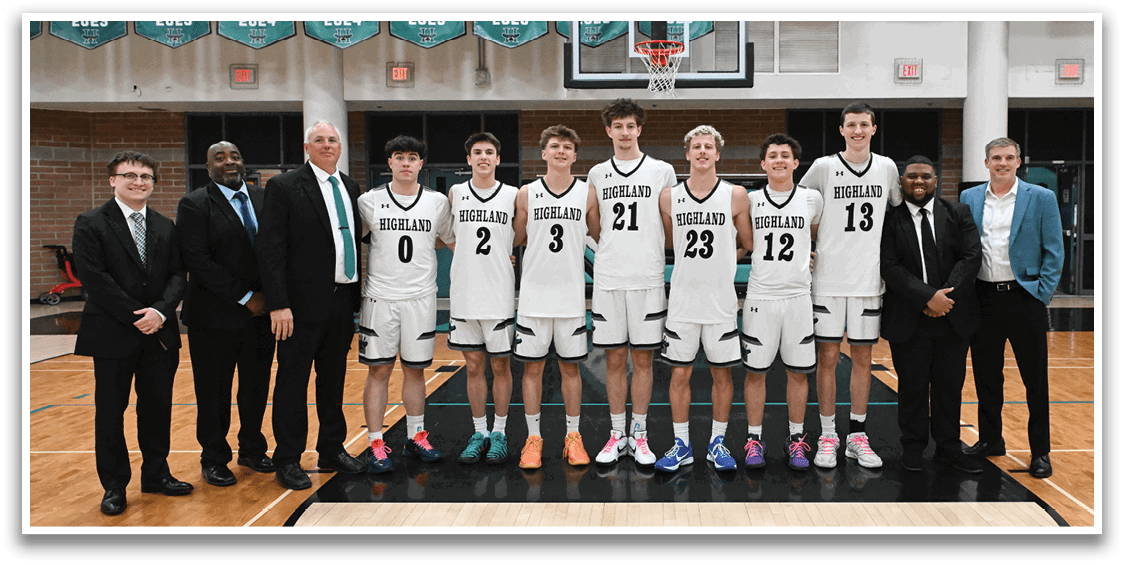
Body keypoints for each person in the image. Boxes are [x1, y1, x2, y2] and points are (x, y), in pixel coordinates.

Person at [72, 150, 191, 515]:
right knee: (110, 411)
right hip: (112, 333)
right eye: (130, 175)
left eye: (146, 177)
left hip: (159, 333)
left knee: (157, 408)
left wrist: (159, 312)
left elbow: (177, 274)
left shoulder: (164, 225)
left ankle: (156, 474)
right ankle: (114, 486)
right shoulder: (91, 222)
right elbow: (95, 279)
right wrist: (136, 315)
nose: (139, 182)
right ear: (113, 180)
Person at [256, 121, 365, 490]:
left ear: (340, 146)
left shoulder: (349, 186)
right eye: (319, 140)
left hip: (341, 301)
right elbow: (270, 249)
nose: (327, 145)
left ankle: (332, 448)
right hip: (297, 309)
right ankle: (287, 458)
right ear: (307, 147)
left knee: (333, 382)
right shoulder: (284, 186)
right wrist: (278, 304)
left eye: (333, 140)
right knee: (292, 383)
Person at [801, 102, 902, 470]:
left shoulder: (887, 168)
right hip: (826, 280)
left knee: (863, 359)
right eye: (851, 125)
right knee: (827, 359)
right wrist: (805, 249)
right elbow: (796, 210)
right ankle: (828, 435)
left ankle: (857, 435)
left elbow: (897, 216)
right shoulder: (824, 167)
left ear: (874, 129)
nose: (857, 131)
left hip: (868, 281)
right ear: (841, 130)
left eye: (864, 124)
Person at [960, 138, 1064, 479]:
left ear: (1019, 161)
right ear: (986, 162)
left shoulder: (1041, 198)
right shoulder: (970, 198)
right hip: (984, 299)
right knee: (987, 378)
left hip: (1024, 298)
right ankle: (991, 440)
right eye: (996, 158)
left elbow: (1054, 250)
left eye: (1008, 157)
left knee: (1035, 381)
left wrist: (1041, 293)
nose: (1002, 163)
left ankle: (1040, 452)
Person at [176, 141, 276, 487]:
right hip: (213, 318)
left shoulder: (263, 198)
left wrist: (271, 298)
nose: (229, 162)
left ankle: (251, 448)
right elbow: (198, 261)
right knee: (213, 392)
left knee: (255, 387)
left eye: (235, 156)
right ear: (208, 168)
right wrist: (246, 297)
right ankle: (214, 457)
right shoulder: (194, 203)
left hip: (261, 316)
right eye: (219, 158)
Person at [655, 125, 753, 473]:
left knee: (722, 376)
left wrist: (726, 258)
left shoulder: (736, 195)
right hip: (682, 301)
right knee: (679, 375)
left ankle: (717, 443)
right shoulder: (669, 197)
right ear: (687, 154)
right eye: (695, 146)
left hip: (720, 302)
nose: (701, 152)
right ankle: (681, 443)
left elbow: (748, 243)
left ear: (717, 153)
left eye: (708, 146)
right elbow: (670, 243)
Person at [587, 99, 677, 467]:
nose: (624, 133)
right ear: (608, 131)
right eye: (618, 126)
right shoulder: (596, 173)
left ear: (640, 129)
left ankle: (639, 434)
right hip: (609, 278)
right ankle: (615, 434)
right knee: (612, 361)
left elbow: (670, 222)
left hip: (648, 278)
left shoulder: (662, 170)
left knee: (643, 361)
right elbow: (594, 222)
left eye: (630, 126)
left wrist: (652, 248)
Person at [358, 135, 455, 473]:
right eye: (398, 157)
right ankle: (375, 441)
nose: (405, 163)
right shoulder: (368, 202)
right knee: (379, 371)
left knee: (416, 370)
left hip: (420, 298)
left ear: (420, 164)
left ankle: (416, 436)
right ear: (389, 164)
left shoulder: (437, 202)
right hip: (380, 299)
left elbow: (446, 239)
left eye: (412, 158)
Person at [881, 155, 983, 473]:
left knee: (949, 386)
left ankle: (949, 448)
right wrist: (927, 298)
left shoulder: (958, 213)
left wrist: (944, 298)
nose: (919, 181)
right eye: (912, 176)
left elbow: (971, 256)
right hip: (910, 317)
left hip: (953, 317)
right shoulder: (890, 219)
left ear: (936, 180)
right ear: (902, 181)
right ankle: (913, 447)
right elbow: (889, 265)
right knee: (912, 386)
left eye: (926, 176)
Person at [512, 125, 600, 469]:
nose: (561, 151)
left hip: (571, 299)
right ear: (544, 154)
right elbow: (516, 238)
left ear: (575, 156)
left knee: (570, 370)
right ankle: (533, 439)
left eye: (567, 147)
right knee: (531, 370)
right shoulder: (526, 194)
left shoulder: (588, 194)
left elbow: (600, 236)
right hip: (534, 297)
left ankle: (573, 437)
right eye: (554, 146)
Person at [741, 134, 823, 472]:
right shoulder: (749, 200)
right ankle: (754, 439)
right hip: (761, 295)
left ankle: (796, 439)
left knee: (798, 373)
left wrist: (810, 256)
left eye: (785, 155)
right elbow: (742, 242)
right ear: (763, 163)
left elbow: (815, 233)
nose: (778, 160)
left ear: (795, 163)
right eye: (772, 155)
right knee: (755, 373)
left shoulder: (811, 199)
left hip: (798, 297)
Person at [447, 132, 518, 465]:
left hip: (499, 294)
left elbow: (521, 233)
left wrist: (506, 255)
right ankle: (480, 432)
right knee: (473, 366)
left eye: (490, 152)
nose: (484, 157)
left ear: (498, 159)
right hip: (464, 294)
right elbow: (449, 235)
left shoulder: (514, 195)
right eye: (477, 152)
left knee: (501, 365)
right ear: (469, 159)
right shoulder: (456, 193)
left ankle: (500, 433)